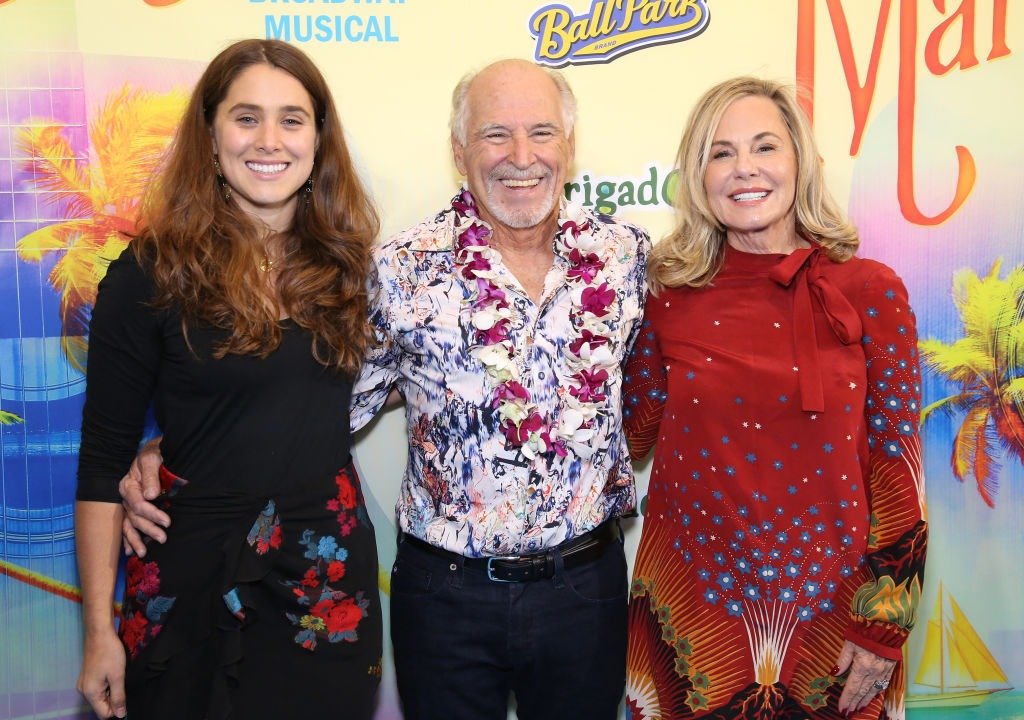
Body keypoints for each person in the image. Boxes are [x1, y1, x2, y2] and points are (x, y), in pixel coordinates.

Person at [121, 58, 650, 720]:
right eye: (495, 134)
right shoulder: (400, 269)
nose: (521, 156)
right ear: (459, 151)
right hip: (447, 598)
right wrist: (175, 449)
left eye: (542, 132)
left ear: (569, 144)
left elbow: (678, 381)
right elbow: (314, 403)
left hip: (586, 590)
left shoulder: (628, 259)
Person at [74, 39, 382, 720]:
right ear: (210, 137)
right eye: (246, 117)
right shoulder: (149, 275)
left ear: (319, 139)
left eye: (292, 119)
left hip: (324, 584)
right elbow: (100, 465)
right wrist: (98, 632)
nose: (269, 140)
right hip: (187, 579)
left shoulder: (356, 269)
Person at [621, 76, 927, 719]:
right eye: (720, 152)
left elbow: (900, 471)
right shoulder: (665, 297)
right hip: (691, 625)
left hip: (839, 625)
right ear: (697, 176)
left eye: (765, 146)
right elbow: (626, 437)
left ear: (800, 163)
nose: (745, 169)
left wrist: (883, 629)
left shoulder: (871, 289)